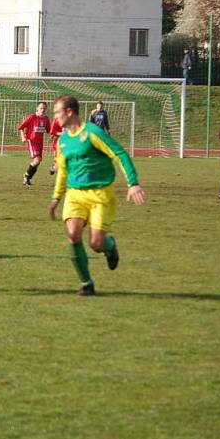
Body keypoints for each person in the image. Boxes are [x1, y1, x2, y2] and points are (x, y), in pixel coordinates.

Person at [48, 95, 145, 296]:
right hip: (75, 195)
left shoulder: (93, 133)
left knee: (96, 244)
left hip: (100, 194)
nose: (54, 116)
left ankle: (109, 247)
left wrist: (133, 184)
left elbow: (120, 153)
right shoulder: (63, 140)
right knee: (73, 235)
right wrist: (56, 198)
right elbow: (63, 171)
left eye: (57, 112)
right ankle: (86, 283)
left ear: (69, 112)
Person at [18, 101, 50, 186]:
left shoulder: (46, 118)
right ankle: (26, 175)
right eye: (41, 108)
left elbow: (48, 130)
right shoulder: (32, 117)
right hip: (32, 141)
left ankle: (27, 178)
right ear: (37, 108)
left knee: (38, 162)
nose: (43, 110)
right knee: (37, 159)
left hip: (40, 142)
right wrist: (23, 137)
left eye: (44, 108)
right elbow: (21, 127)